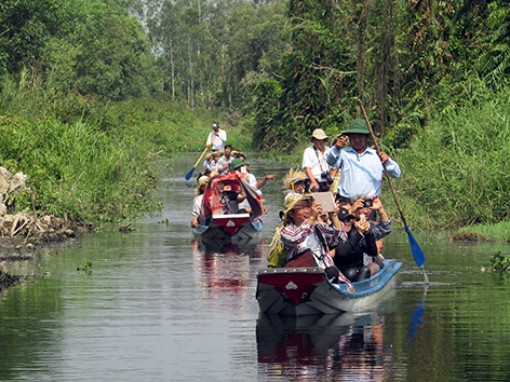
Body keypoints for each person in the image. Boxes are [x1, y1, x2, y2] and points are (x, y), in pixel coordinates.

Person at [278, 193, 352, 285]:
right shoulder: (286, 231)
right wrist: (312, 217)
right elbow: (296, 239)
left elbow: (341, 239)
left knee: (332, 272)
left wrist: (334, 217)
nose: (307, 211)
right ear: (292, 213)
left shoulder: (318, 227)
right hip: (300, 276)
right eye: (302, 208)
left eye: (308, 207)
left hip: (325, 273)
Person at [326, 118, 401, 202]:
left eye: (360, 137)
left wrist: (387, 161)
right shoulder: (343, 154)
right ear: (349, 138)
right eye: (354, 137)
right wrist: (337, 148)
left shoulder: (376, 156)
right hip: (347, 203)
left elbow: (396, 173)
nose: (357, 140)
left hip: (369, 205)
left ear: (367, 138)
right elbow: (330, 161)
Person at [332, 204, 378, 282]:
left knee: (365, 269)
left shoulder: (355, 233)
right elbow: (341, 252)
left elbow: (373, 251)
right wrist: (359, 234)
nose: (347, 223)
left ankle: (361, 290)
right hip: (341, 273)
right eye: (343, 221)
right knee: (351, 272)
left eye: (349, 220)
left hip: (359, 270)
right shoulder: (333, 235)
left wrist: (368, 233)